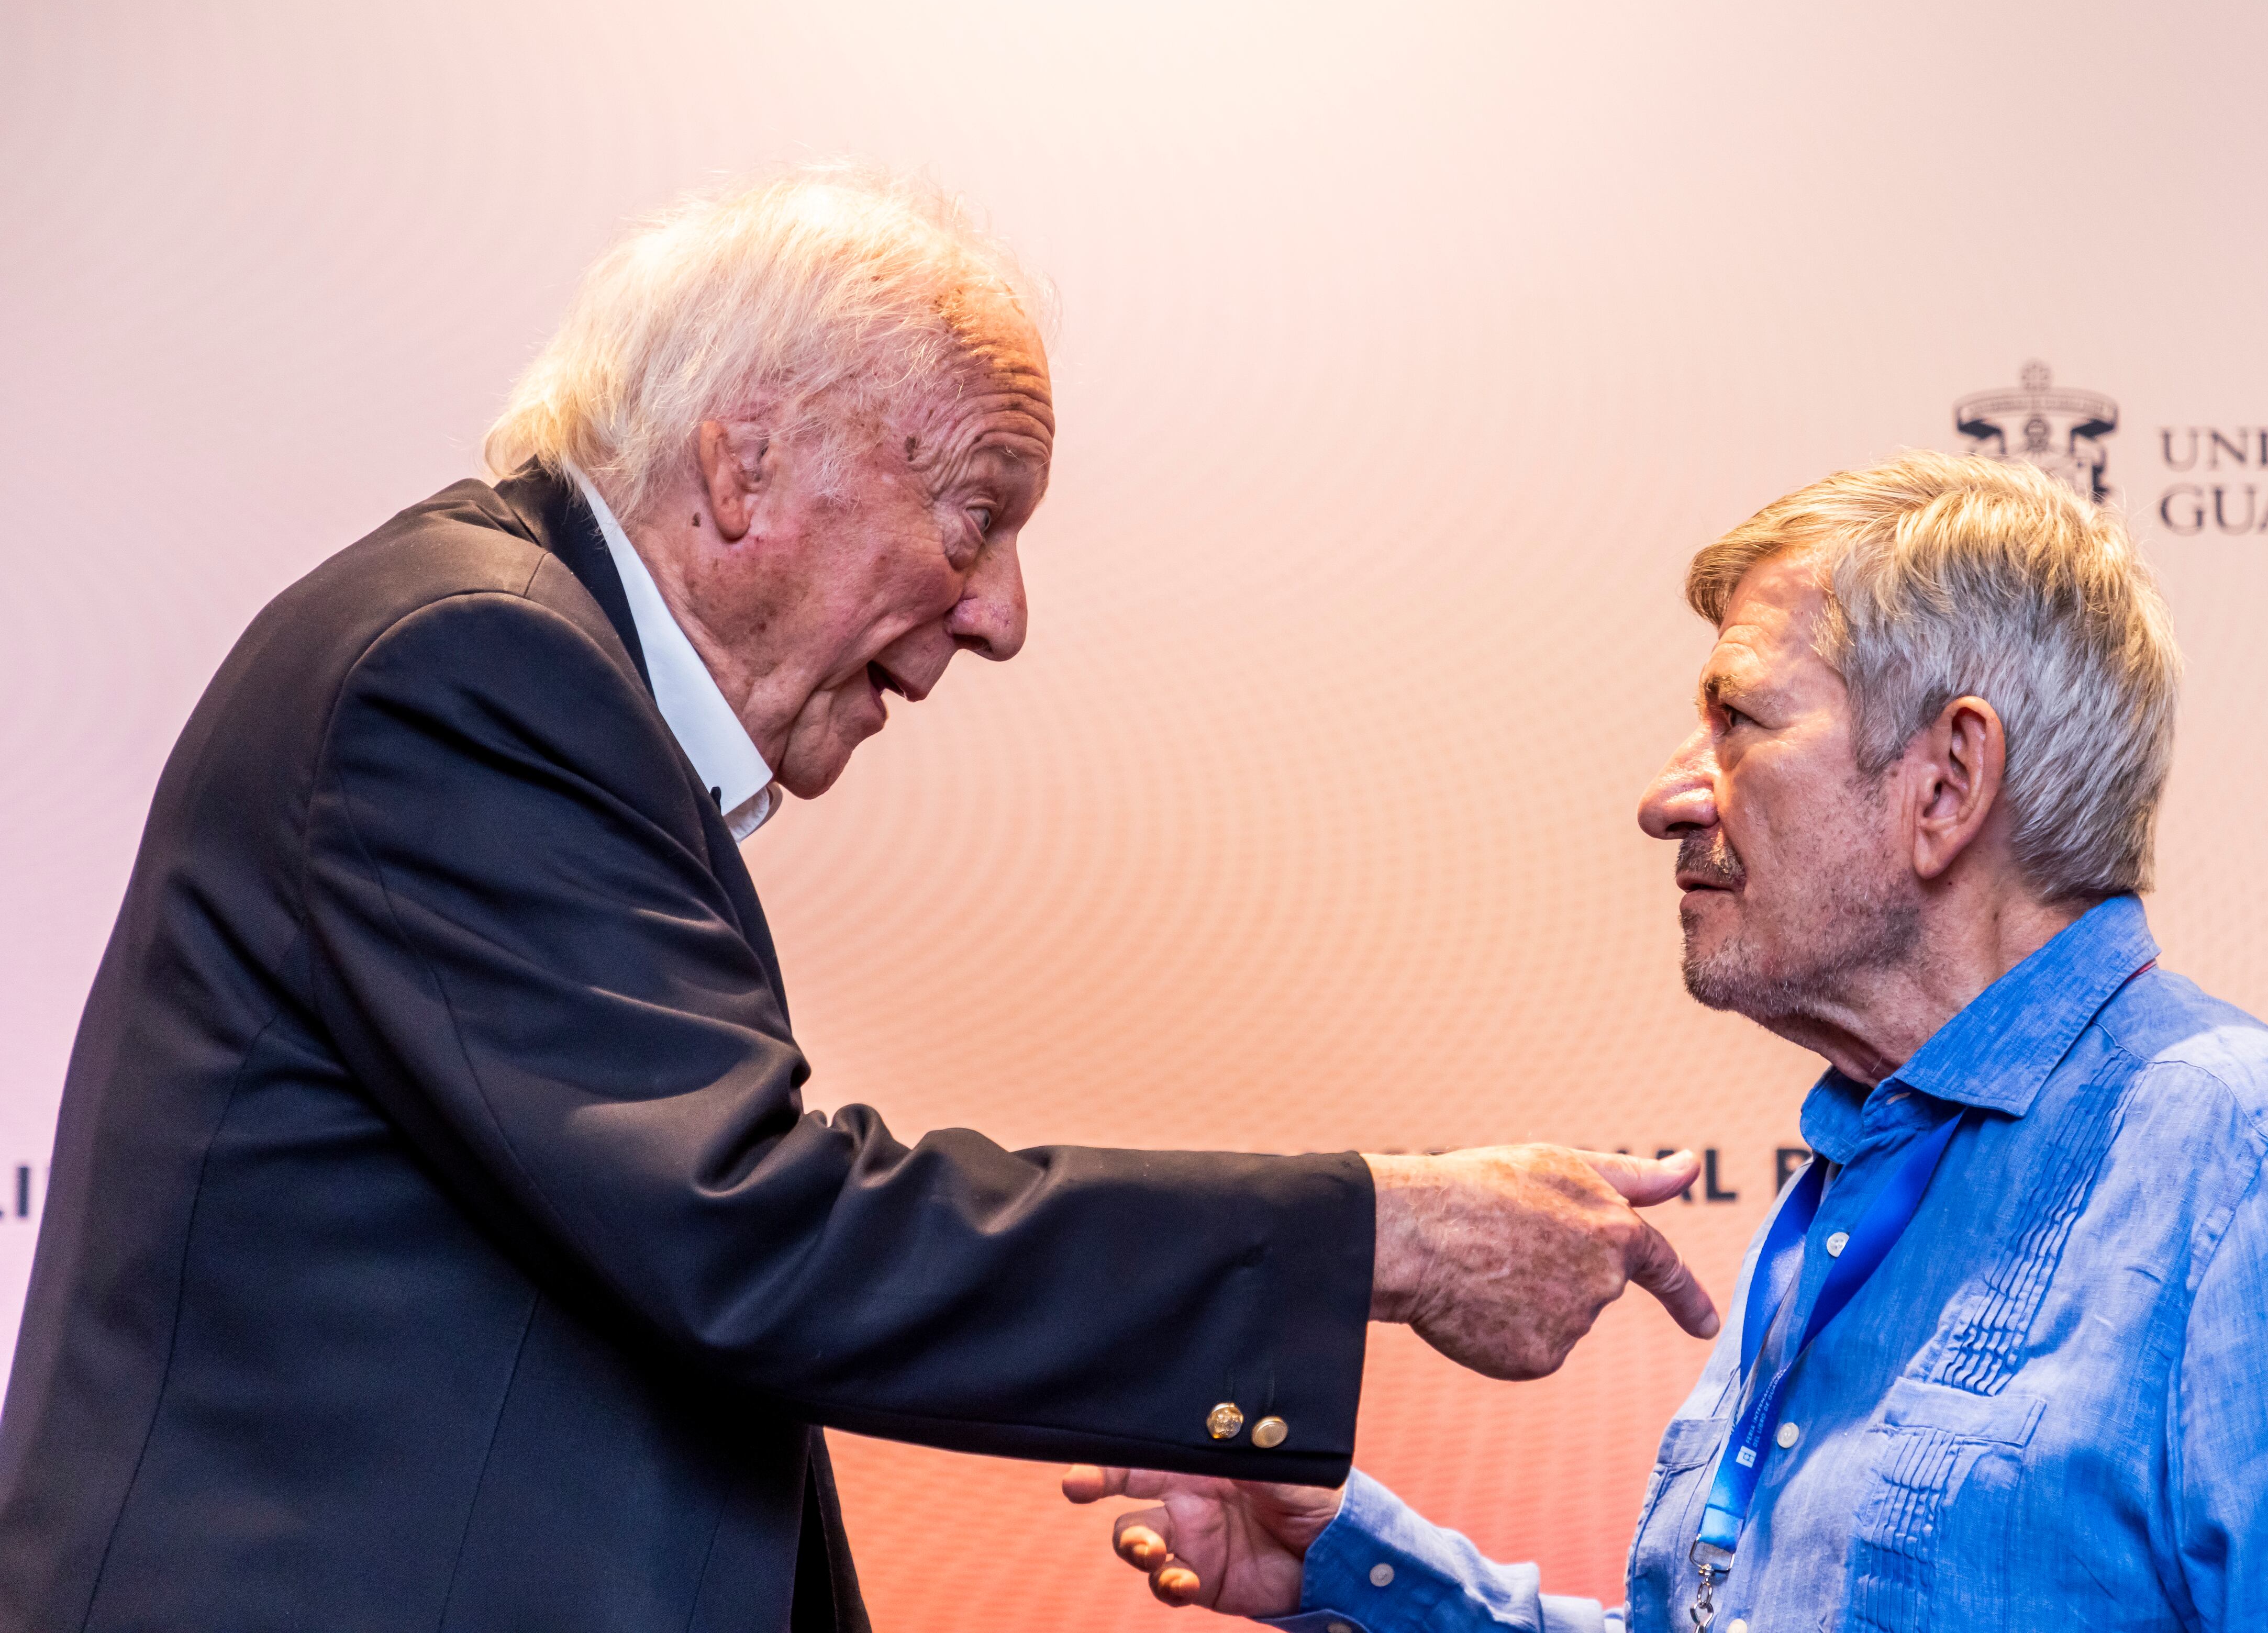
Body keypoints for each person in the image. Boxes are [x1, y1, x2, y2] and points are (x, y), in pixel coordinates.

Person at [0, 168, 1718, 1633]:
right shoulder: (471, 667)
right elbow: (752, 1228)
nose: (1003, 617)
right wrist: (1385, 1236)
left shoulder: (526, 669)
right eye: (977, 516)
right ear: (745, 467)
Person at [1069, 452, 2268, 1631]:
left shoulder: (2262, 1168)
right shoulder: (1865, 1172)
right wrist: (1355, 1561)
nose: (1669, 796)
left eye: (1739, 722)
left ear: (1947, 782)